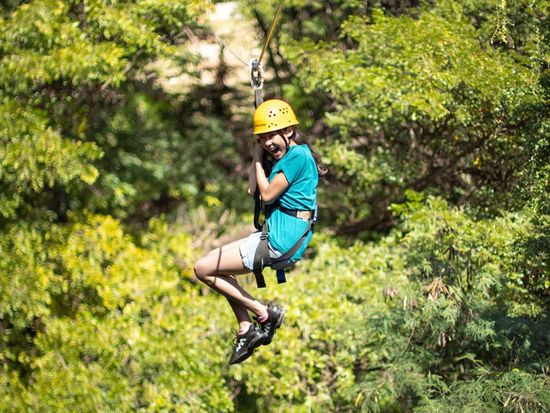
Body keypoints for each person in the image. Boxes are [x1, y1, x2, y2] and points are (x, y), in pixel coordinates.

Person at [194, 99, 326, 364]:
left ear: (288, 131)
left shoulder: (297, 157)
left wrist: (257, 155)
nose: (267, 143)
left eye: (271, 136)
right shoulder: (287, 158)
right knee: (216, 267)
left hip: (280, 240)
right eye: (262, 138)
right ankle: (246, 328)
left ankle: (264, 313)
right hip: (277, 236)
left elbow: (265, 194)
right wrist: (257, 155)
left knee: (203, 269)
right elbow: (253, 189)